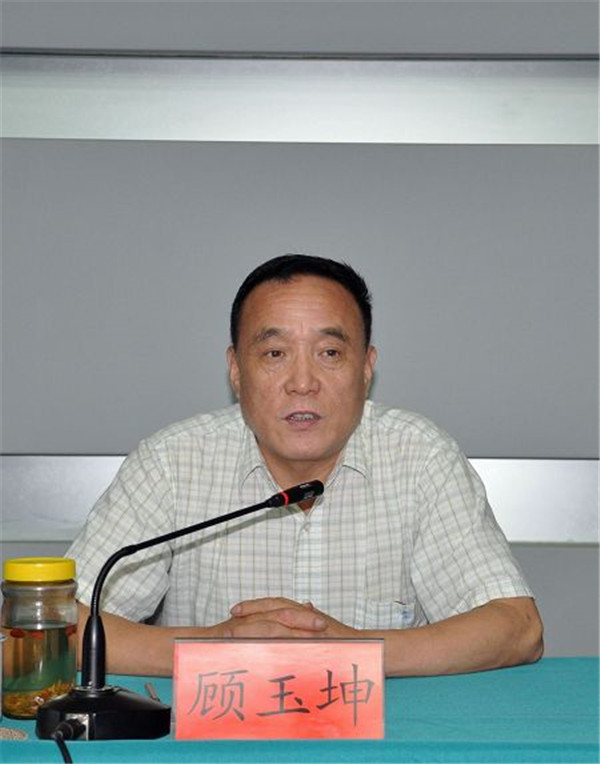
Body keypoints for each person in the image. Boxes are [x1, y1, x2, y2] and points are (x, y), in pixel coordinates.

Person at [67, 254, 543, 677]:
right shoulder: (173, 462)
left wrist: (353, 651)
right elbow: (58, 625)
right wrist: (217, 646)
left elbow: (517, 627)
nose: (302, 382)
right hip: (214, 734)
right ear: (236, 370)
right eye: (275, 354)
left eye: (329, 353)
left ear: (366, 368)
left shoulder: (419, 457)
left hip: (388, 735)